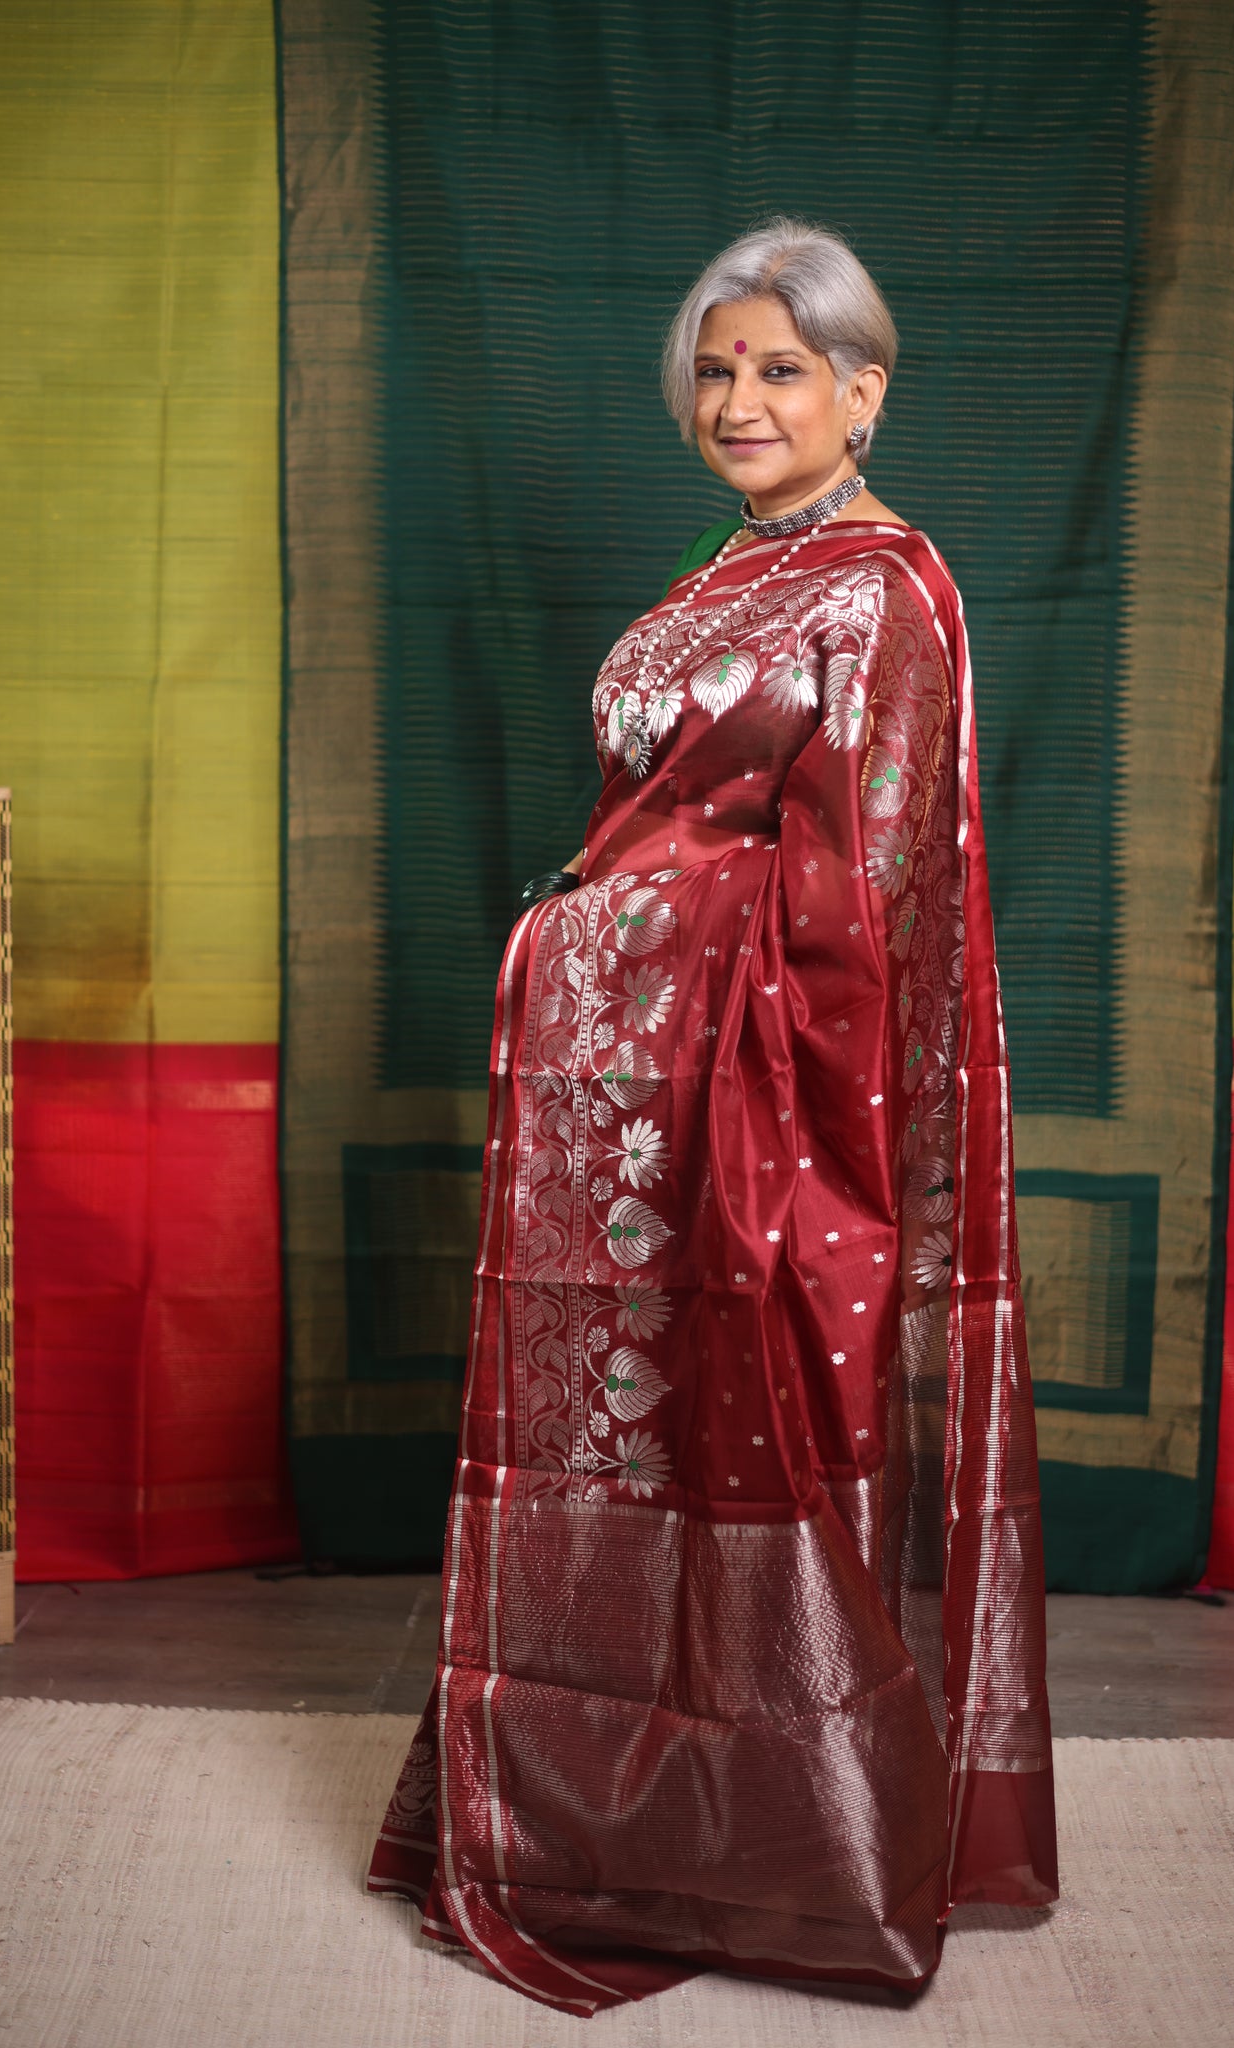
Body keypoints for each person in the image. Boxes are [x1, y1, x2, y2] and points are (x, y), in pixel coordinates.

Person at [368, 217, 1056, 2015]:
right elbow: (662, 821)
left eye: (781, 369)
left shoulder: (884, 588)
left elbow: (870, 896)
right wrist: (594, 943)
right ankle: (600, 1836)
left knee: (756, 1443)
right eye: (717, 368)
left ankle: (789, 1861)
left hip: (766, 1117)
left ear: (863, 390)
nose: (740, 400)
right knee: (631, 1444)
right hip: (633, 1107)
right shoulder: (720, 571)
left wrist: (620, 938)